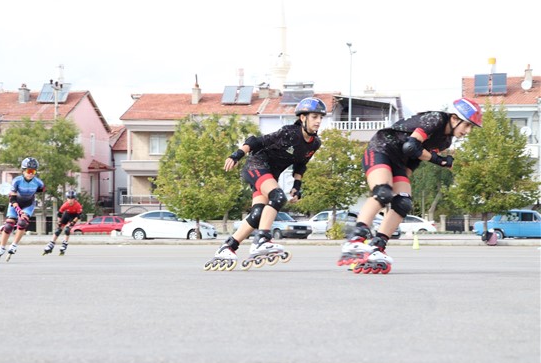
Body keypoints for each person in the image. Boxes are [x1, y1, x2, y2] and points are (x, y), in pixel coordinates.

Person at [338, 97, 483, 273]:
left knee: (403, 202)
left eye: (471, 127)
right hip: (381, 148)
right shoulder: (436, 119)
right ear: (454, 118)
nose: (468, 131)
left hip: (401, 161)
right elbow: (411, 146)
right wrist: (441, 161)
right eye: (467, 125)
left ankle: (377, 247)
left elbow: (414, 158)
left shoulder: (445, 141)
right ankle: (355, 240)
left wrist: (403, 183)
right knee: (383, 192)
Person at [206, 97, 327, 270]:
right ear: (303, 118)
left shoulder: (315, 143)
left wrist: (297, 186)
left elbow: (301, 165)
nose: (318, 121)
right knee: (277, 196)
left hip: (270, 174)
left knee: (258, 214)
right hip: (256, 166)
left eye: (321, 117)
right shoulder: (289, 133)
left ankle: (228, 246)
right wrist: (236, 155)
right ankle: (262, 238)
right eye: (315, 117)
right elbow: (256, 141)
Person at [0, 157, 46, 263]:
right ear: (23, 170)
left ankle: (14, 245)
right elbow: (12, 198)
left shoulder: (38, 182)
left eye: (33, 171)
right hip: (16, 204)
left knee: (22, 223)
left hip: (28, 205)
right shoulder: (17, 181)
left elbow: (42, 189)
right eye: (29, 171)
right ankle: (1, 248)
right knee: (8, 226)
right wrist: (19, 211)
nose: (31, 174)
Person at [43, 190, 82, 255]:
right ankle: (51, 243)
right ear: (67, 199)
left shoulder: (78, 205)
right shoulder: (65, 205)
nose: (70, 200)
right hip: (66, 215)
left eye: (72, 198)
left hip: (74, 217)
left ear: (74, 199)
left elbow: (79, 216)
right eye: (69, 198)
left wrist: (72, 222)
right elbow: (59, 214)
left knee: (67, 230)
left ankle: (64, 244)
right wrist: (59, 222)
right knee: (58, 230)